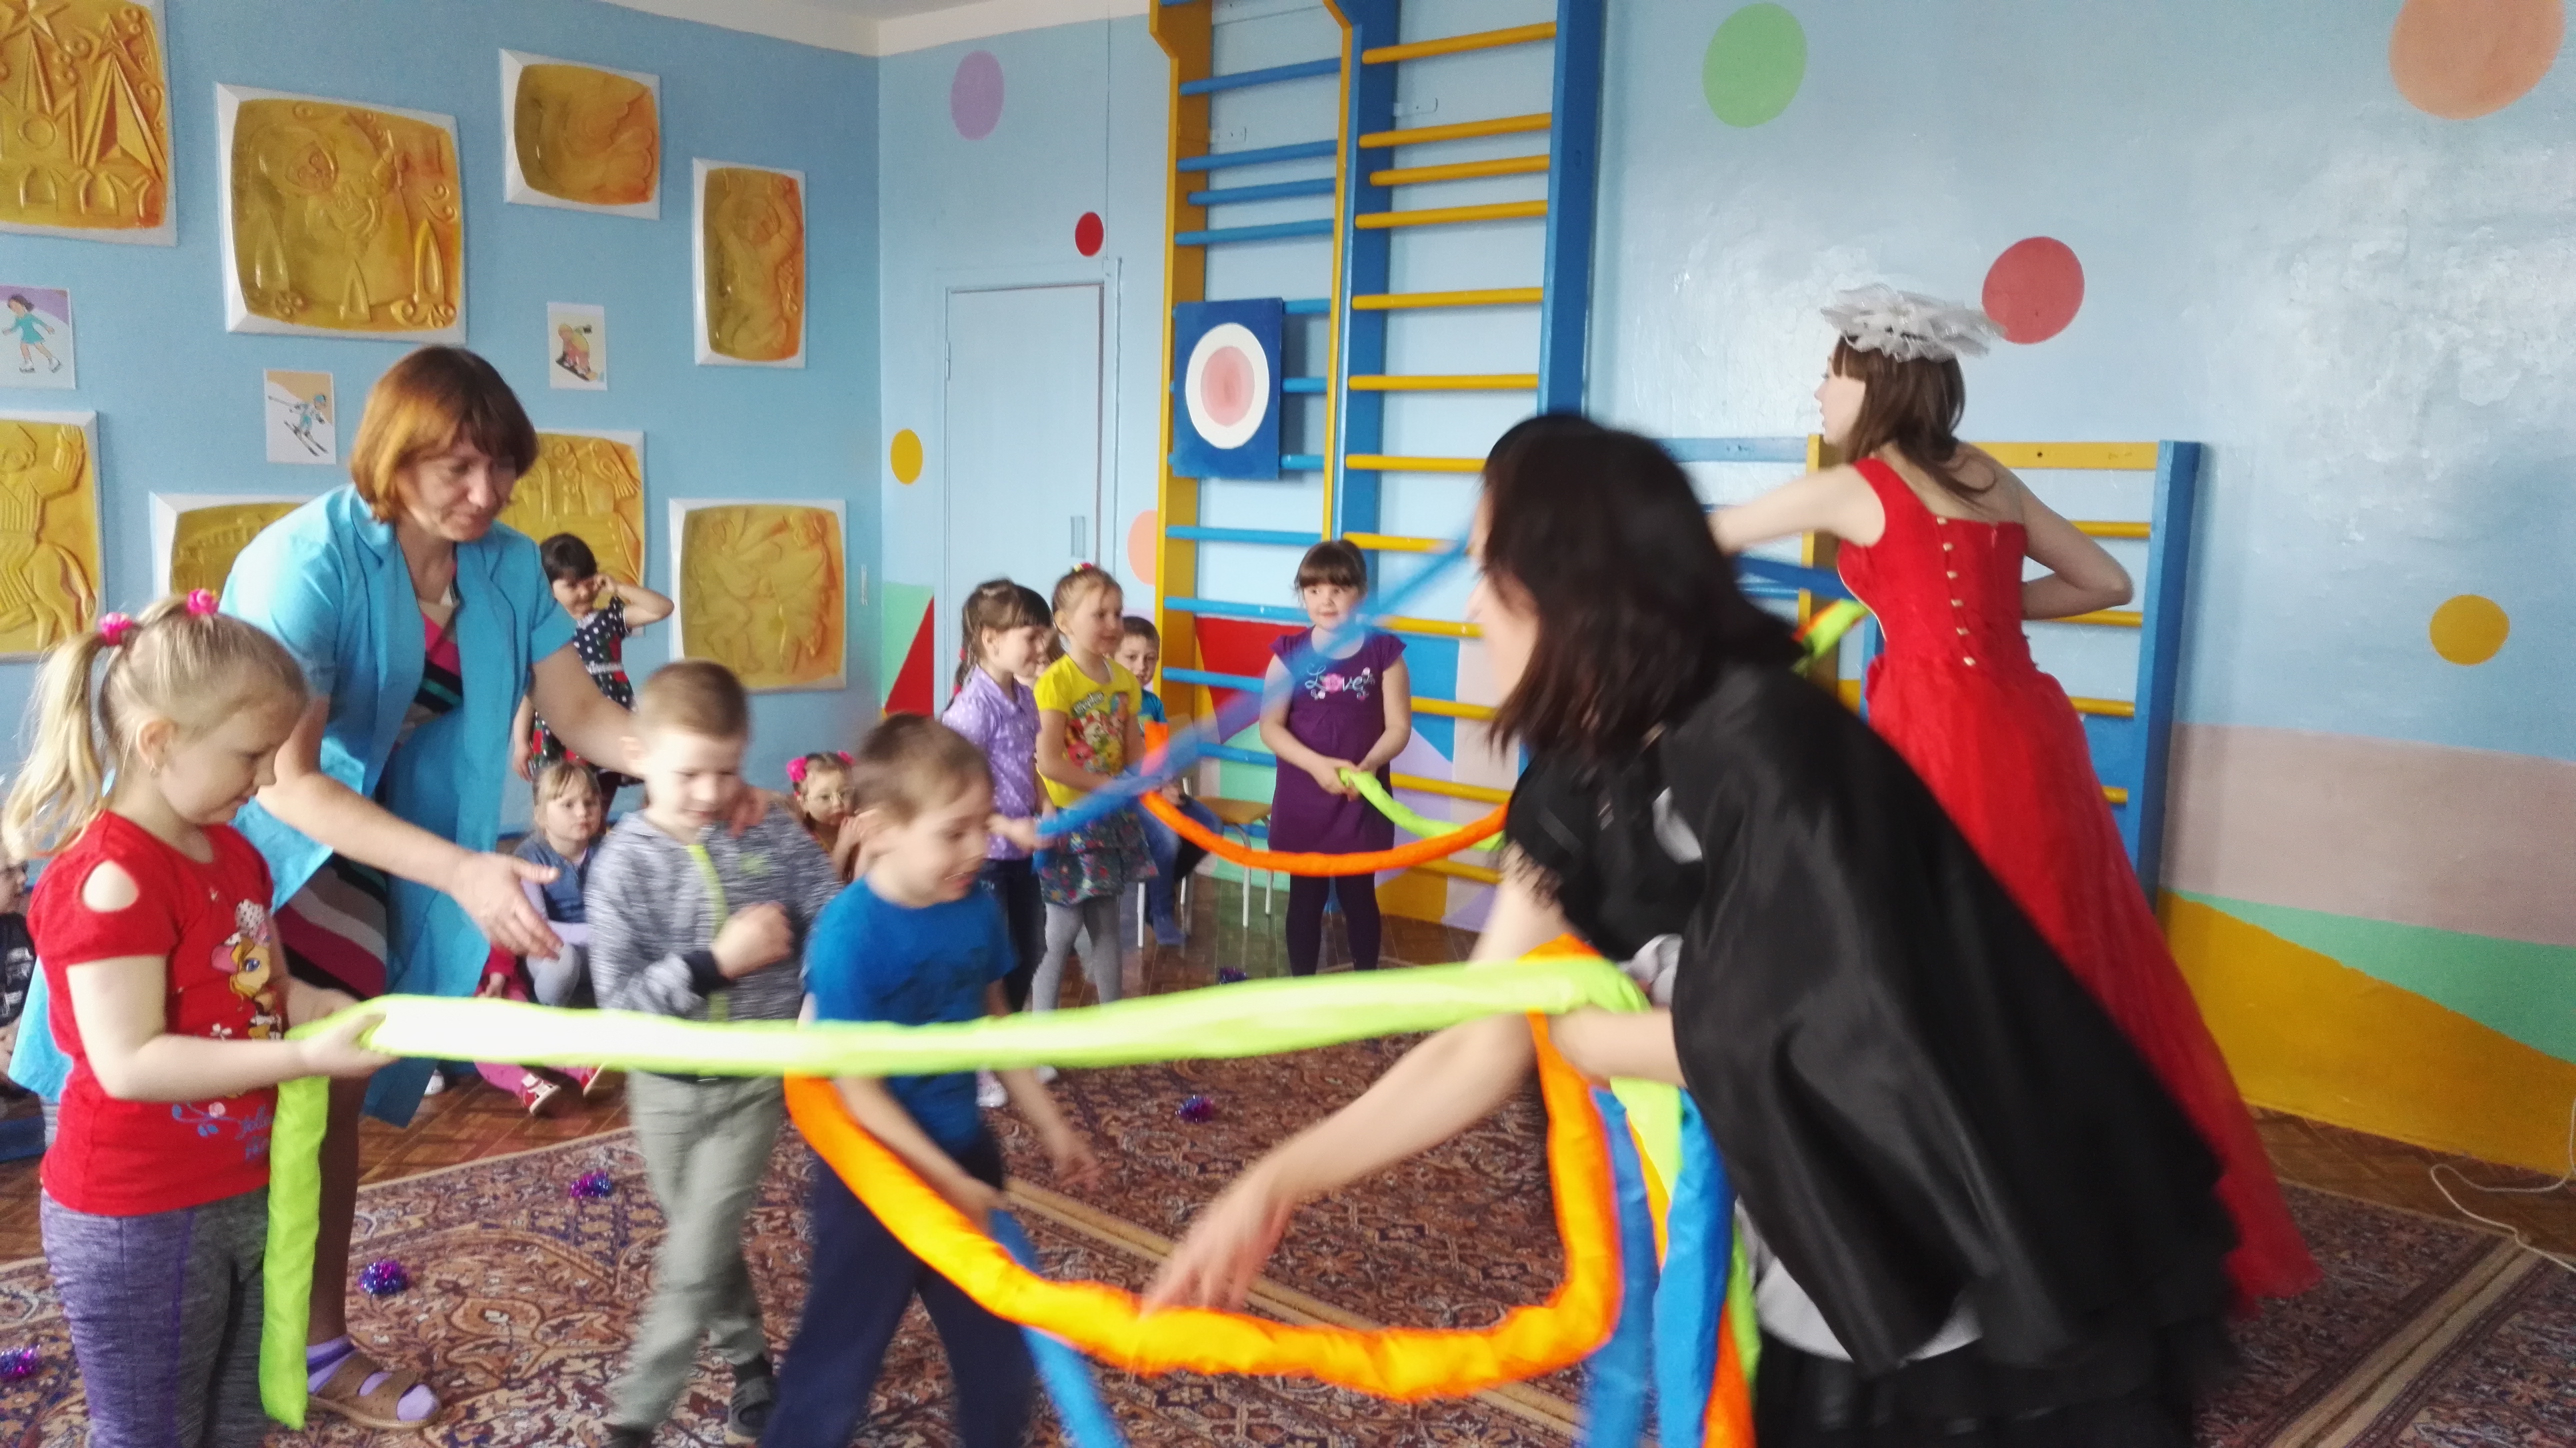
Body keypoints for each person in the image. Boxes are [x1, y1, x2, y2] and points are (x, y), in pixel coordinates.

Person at [1148, 418, 2240, 1448]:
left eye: (1492, 574)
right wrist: (1279, 1178)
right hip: (1815, 1209)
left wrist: (1590, 1036)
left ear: (1571, 586)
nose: (1474, 608)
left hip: (1959, 1208)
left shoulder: (1768, 741)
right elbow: (1485, 1032)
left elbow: (1833, 1017)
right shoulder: (1572, 782)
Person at [1710, 286, 2315, 1306]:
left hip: (1936, 735)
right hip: (2025, 731)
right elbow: (2105, 580)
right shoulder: (1987, 476)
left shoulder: (1856, 485)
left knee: (1931, 970)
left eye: (1829, 372)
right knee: (2048, 958)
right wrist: (1984, 610)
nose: (1817, 390)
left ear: (1873, 382)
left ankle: (1967, 1225)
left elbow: (1706, 536)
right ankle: (2088, 1211)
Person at [207, 344, 756, 1426]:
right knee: (229, 1122)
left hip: (380, 864)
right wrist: (461, 869)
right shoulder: (307, 562)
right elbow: (285, 781)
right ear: (392, 456)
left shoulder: (503, 566)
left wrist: (695, 774)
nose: (487, 490)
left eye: (502, 465)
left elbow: (583, 713)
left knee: (331, 1110)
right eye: (457, 465)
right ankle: (210, 1345)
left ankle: (315, 1346)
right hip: (264, 861)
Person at [2, 594, 393, 1448]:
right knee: (152, 1431)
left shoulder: (239, 855)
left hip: (246, 1184)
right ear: (159, 741)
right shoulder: (112, 879)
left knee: (238, 1419)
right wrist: (302, 1061)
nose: (266, 780)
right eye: (250, 755)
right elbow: (130, 1063)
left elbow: (266, 992)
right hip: (136, 1213)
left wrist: (325, 1011)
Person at [764, 715, 1097, 1448]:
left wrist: (1052, 1125)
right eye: (954, 832)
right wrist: (944, 1180)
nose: (979, 848)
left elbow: (995, 1026)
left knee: (1000, 1355)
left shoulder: (973, 908)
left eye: (984, 825)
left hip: (963, 1154)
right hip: (874, 1178)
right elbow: (859, 1090)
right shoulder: (849, 935)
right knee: (834, 1365)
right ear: (882, 829)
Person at [587, 660, 842, 1448]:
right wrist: (715, 963)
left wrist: (814, 992)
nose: (709, 793)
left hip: (751, 1083)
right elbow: (619, 1007)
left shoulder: (769, 831)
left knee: (695, 1252)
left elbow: (834, 915)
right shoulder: (621, 865)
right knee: (706, 1233)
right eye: (688, 773)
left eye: (727, 771)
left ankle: (634, 1418)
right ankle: (750, 1361)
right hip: (663, 1089)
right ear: (640, 757)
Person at [1259, 540, 1412, 976]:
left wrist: (1368, 768)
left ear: (1360, 593)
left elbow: (1398, 727)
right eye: (1314, 590)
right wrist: (1317, 766)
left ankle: (1365, 985)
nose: (1325, 600)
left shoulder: (1385, 655)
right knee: (1305, 897)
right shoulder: (1288, 654)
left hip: (1359, 797)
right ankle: (1303, 990)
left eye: (1338, 590)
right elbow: (1270, 727)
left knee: (1359, 895)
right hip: (1304, 800)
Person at [1029, 565, 1154, 1010]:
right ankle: (1042, 1028)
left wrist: (1148, 777)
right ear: (1064, 623)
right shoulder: (1055, 682)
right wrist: (1108, 786)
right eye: (1100, 614)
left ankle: (1112, 1022)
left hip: (1109, 820)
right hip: (1069, 820)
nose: (1113, 624)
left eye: (1118, 614)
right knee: (1061, 929)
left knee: (1107, 925)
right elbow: (1049, 761)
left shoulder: (1124, 681)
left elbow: (1133, 747)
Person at [467, 761, 608, 1114]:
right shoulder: (528, 858)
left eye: (590, 803)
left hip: (602, 949)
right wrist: (602, 932)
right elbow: (538, 928)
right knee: (562, 958)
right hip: (550, 949)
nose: (583, 813)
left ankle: (603, 1040)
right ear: (542, 815)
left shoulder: (607, 850)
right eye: (568, 805)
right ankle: (555, 1029)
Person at [942, 579, 1052, 1012]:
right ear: (991, 639)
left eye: (1044, 636)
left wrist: (1047, 805)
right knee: (991, 963)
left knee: (1031, 950)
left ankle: (1003, 1035)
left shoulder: (1025, 699)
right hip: (985, 856)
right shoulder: (972, 711)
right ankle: (986, 1044)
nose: (1043, 647)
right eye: (1032, 636)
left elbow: (1030, 765)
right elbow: (954, 797)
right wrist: (1008, 827)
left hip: (1020, 855)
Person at [511, 532, 673, 798]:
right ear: (547, 587)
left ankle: (598, 825)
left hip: (608, 722)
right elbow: (532, 693)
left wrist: (619, 588)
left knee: (600, 798)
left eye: (589, 583)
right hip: (561, 726)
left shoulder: (609, 620)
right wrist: (520, 742)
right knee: (565, 796)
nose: (585, 592)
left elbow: (662, 609)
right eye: (572, 586)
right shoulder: (545, 632)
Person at [1116, 615, 1216, 948]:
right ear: (1112, 657)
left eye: (1150, 659)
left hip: (1158, 790)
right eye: (1131, 657)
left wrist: (1169, 782)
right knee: (1168, 840)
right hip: (1128, 796)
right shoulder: (1110, 704)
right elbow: (1116, 764)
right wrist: (1154, 788)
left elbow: (1162, 754)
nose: (1142, 667)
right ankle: (1161, 912)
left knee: (1210, 826)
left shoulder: (1153, 704)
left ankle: (1155, 892)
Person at [787, 750, 857, 868]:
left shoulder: (857, 822)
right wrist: (843, 846)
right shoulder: (802, 840)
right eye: (825, 797)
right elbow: (822, 878)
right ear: (803, 803)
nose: (837, 803)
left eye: (844, 793)